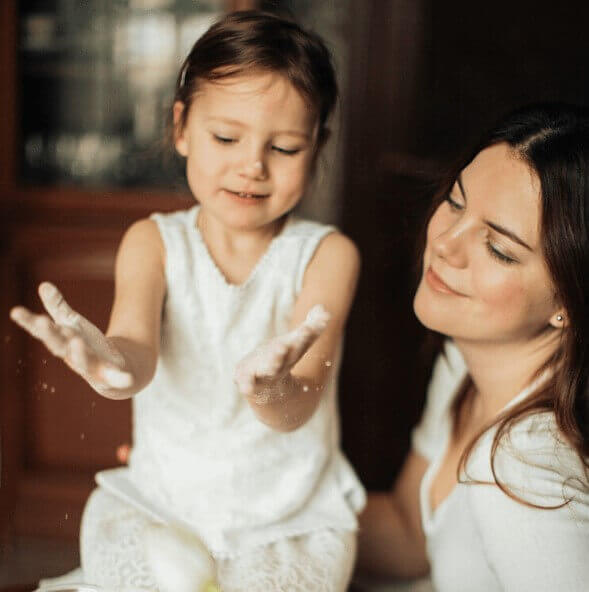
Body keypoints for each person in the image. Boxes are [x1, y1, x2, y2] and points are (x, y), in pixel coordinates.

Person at [10, 10, 365, 592]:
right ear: (181, 127)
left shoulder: (328, 257)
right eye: (226, 137)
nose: (252, 166)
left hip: (288, 520)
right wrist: (106, 365)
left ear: (317, 146)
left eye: (284, 147)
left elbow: (297, 404)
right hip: (162, 502)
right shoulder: (153, 242)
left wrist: (269, 387)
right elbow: (133, 356)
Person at [355, 103, 589, 592]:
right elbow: (408, 532)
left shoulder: (527, 468)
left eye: (498, 248)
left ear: (568, 299)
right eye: (456, 203)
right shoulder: (463, 360)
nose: (446, 243)